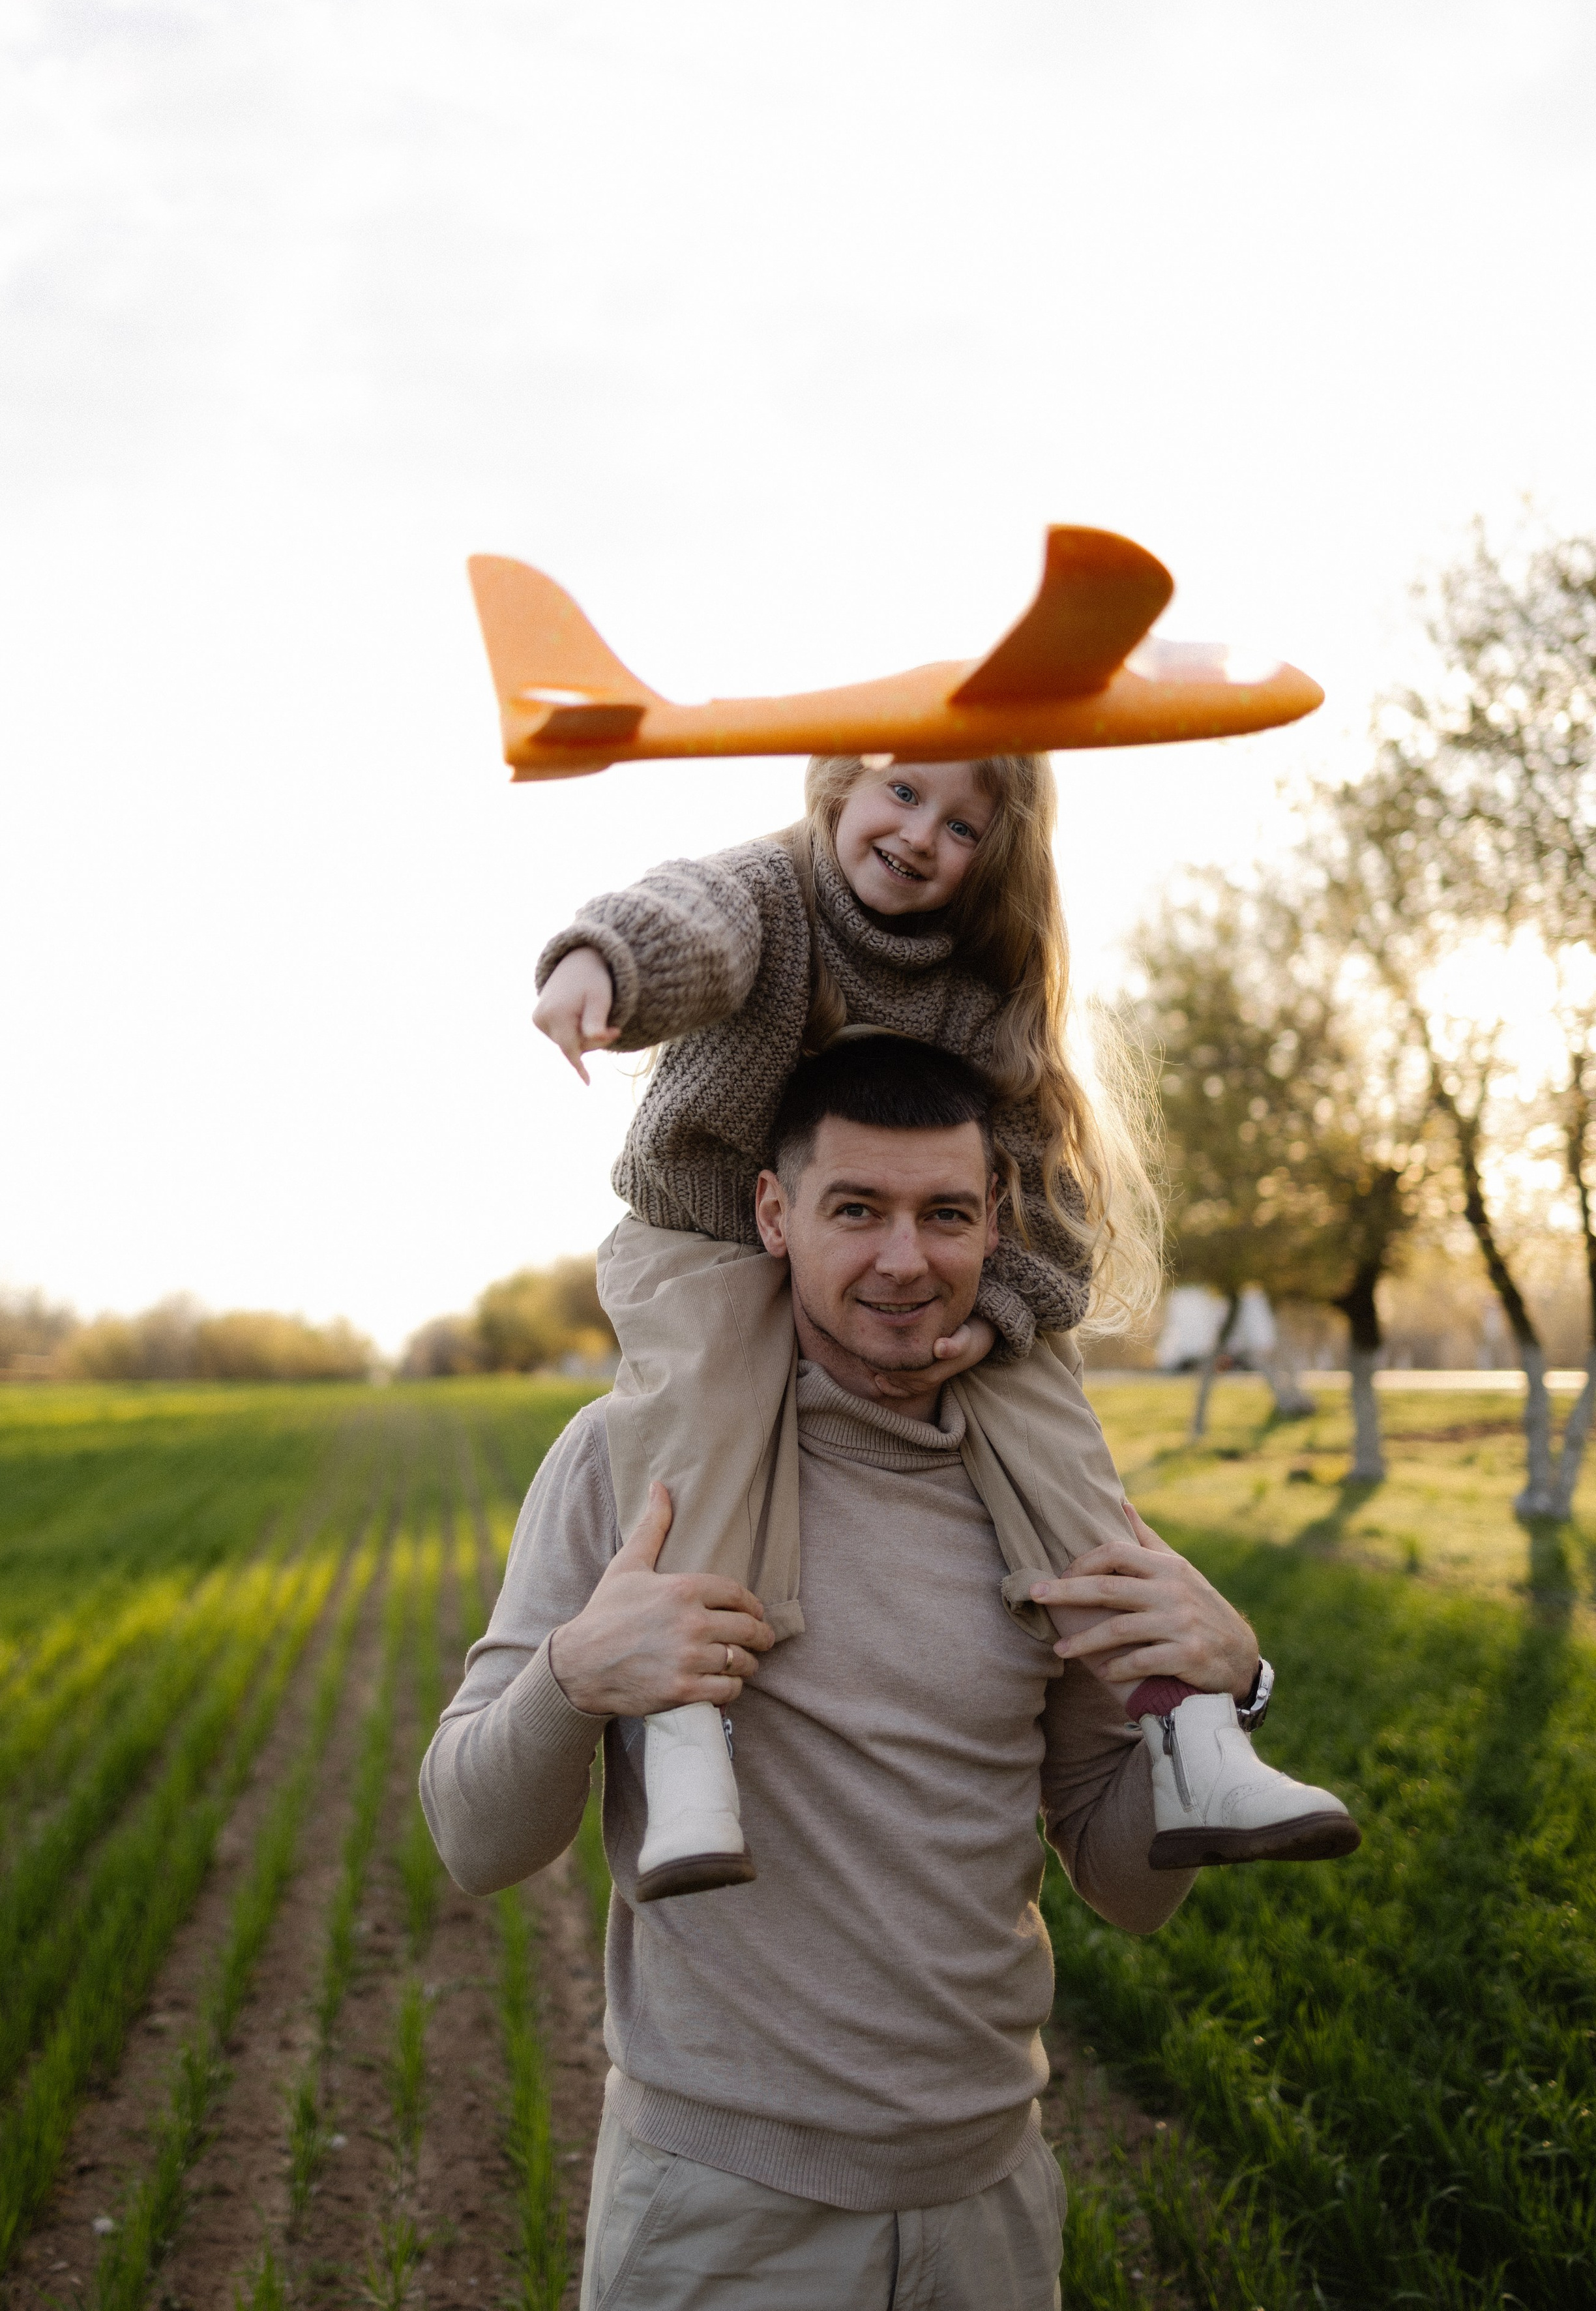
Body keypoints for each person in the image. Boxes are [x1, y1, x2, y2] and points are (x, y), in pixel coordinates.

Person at [420, 1042, 1295, 2310]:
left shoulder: (1050, 1496)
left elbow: (1124, 1885)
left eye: (943, 1213)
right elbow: (470, 1838)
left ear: (995, 1222)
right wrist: (572, 1677)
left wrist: (1225, 1690)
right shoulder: (632, 1462)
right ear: (773, 1215)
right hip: (719, 2216)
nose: (903, 1259)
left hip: (990, 2207)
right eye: (854, 1210)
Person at [531, 754, 1357, 1890]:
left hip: (899, 1271)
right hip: (701, 1230)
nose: (923, 838)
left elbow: (1044, 1190)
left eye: (965, 827)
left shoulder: (984, 982)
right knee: (704, 1448)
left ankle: (1196, 1736)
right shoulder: (772, 893)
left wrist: (1005, 1311)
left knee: (1054, 1433)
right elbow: (692, 920)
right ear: (836, 789)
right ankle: (687, 1759)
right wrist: (604, 965)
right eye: (903, 795)